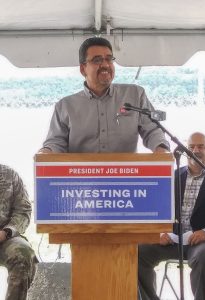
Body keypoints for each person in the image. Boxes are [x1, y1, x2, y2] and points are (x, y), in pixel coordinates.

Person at [38, 36, 169, 154]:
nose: (105, 65)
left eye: (109, 59)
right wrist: (46, 152)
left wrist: (161, 148)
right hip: (82, 179)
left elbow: (153, 130)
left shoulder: (135, 95)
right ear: (83, 69)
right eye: (97, 60)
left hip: (126, 178)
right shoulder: (65, 106)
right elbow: (55, 143)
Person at [138, 132, 205, 300]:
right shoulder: (173, 176)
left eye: (201, 146)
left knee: (204, 256)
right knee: (138, 252)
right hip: (172, 240)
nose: (195, 150)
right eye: (191, 147)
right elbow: (156, 207)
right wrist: (159, 232)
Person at [0, 164, 37, 300]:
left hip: (5, 237)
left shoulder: (9, 175)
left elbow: (23, 211)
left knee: (23, 254)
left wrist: (6, 232)